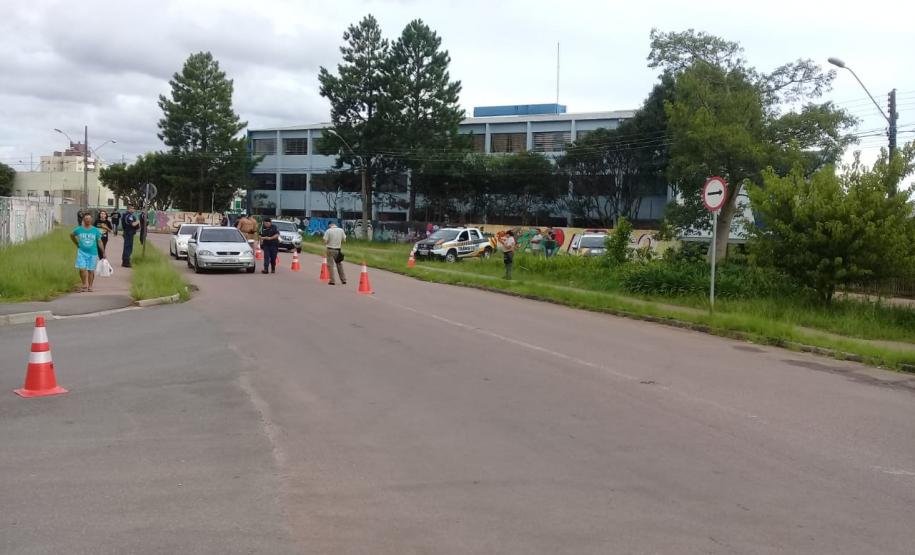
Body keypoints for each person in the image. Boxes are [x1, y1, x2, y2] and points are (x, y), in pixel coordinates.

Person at [71, 213, 105, 293]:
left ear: (91, 220)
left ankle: (90, 286)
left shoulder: (95, 230)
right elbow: (72, 235)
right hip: (82, 252)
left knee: (91, 270)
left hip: (93, 253)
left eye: (89, 219)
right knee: (82, 269)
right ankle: (84, 284)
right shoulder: (79, 229)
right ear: (83, 220)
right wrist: (76, 243)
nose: (88, 220)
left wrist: (103, 252)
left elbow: (99, 241)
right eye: (86, 219)